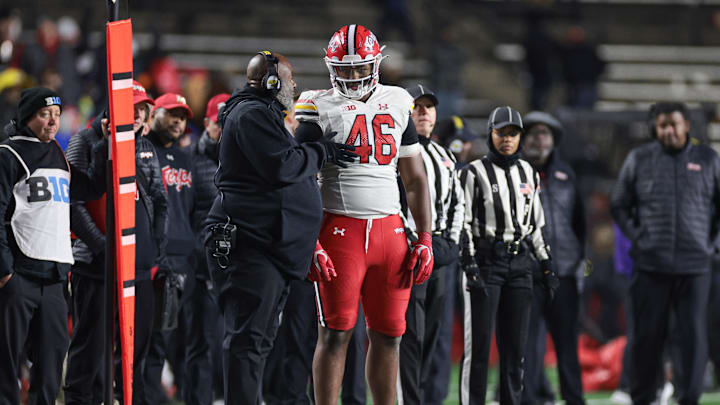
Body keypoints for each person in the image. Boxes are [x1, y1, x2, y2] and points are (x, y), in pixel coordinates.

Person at [204, 51, 356, 405]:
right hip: (249, 246)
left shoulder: (259, 113)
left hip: (265, 247)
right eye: (289, 79)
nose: (294, 85)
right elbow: (283, 167)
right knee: (248, 341)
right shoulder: (251, 113)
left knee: (257, 341)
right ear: (272, 82)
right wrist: (320, 151)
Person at [294, 25, 433, 405]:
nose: (352, 76)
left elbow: (416, 179)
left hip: (390, 232)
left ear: (376, 64)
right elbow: (297, 178)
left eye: (360, 68)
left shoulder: (398, 100)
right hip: (339, 229)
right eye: (345, 68)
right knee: (335, 332)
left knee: (390, 334)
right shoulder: (315, 104)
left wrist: (425, 238)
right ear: (331, 66)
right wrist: (310, 240)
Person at [64, 81, 169, 405]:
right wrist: (103, 248)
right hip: (96, 267)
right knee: (90, 351)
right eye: (132, 107)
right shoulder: (85, 140)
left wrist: (156, 249)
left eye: (142, 109)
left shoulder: (143, 145)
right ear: (113, 106)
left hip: (137, 269)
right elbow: (73, 202)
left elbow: (159, 199)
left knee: (134, 353)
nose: (137, 115)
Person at [610, 102, 720, 405]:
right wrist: (638, 238)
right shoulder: (639, 159)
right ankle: (644, 397)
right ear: (655, 129)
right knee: (648, 336)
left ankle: (689, 397)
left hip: (695, 266)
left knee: (692, 338)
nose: (668, 130)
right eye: (662, 125)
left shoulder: (709, 159)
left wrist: (712, 244)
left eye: (673, 123)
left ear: (686, 125)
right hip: (651, 265)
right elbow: (619, 205)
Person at [0, 87, 104, 405]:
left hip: (56, 277)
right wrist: (5, 272)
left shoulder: (57, 153)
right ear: (28, 116)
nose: (52, 122)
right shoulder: (9, 153)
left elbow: (88, 188)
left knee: (51, 364)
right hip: (20, 274)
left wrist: (106, 143)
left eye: (57, 115)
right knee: (6, 364)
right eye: (45, 115)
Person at [458, 106, 557, 405]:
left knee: (516, 351)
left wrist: (546, 262)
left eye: (513, 133)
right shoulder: (474, 172)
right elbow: (461, 221)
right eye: (501, 133)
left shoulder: (529, 172)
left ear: (520, 137)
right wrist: (470, 264)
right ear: (491, 134)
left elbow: (535, 223)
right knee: (479, 349)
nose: (507, 139)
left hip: (520, 263)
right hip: (487, 262)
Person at [398, 84, 464, 405]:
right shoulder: (395, 149)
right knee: (410, 335)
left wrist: (448, 241)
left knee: (432, 336)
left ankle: (421, 398)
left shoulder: (445, 155)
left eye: (429, 107)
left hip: (438, 251)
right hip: (407, 255)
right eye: (417, 106)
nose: (424, 112)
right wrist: (413, 241)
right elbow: (392, 201)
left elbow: (457, 202)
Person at [520, 111, 586, 405]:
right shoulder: (515, 172)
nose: (538, 138)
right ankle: (529, 398)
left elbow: (580, 223)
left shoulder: (567, 174)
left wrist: (577, 261)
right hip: (528, 272)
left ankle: (574, 398)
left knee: (567, 344)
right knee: (527, 345)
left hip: (564, 273)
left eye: (544, 133)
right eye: (533, 133)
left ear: (553, 140)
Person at [142, 91, 198, 405]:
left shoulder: (186, 159)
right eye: (171, 114)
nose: (178, 121)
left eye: (183, 116)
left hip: (184, 259)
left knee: (176, 337)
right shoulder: (142, 152)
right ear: (154, 115)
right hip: (153, 257)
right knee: (152, 337)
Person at [189, 92, 229, 404]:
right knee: (201, 340)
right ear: (207, 123)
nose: (224, 130)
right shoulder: (189, 160)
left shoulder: (241, 157)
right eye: (219, 124)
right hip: (199, 265)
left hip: (236, 265)